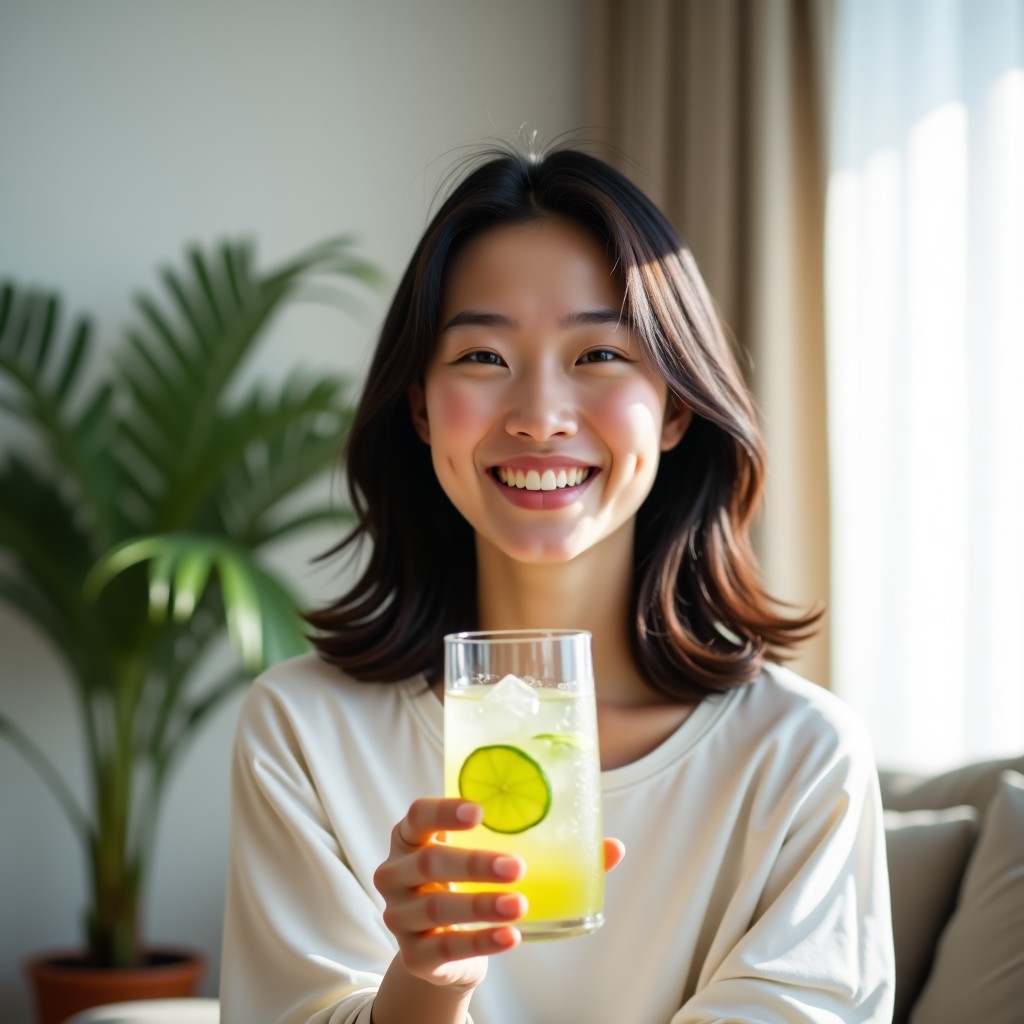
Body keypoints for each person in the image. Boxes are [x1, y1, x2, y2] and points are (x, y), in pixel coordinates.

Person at [219, 144, 895, 1024]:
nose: (539, 416)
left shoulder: (802, 758)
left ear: (678, 404)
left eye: (600, 355)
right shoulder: (303, 731)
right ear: (421, 407)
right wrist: (423, 986)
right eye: (483, 358)